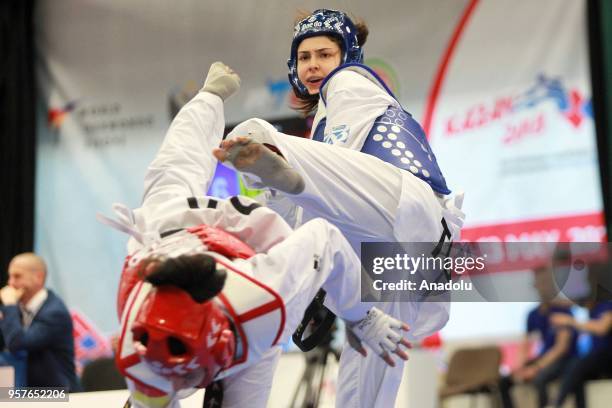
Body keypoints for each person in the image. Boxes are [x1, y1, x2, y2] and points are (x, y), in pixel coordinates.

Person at [101, 62, 412, 408]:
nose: (179, 383)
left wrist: (363, 316)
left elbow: (325, 239)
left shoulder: (263, 305)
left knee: (174, 173)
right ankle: (224, 112)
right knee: (173, 174)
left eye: (183, 377)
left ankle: (274, 172)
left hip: (238, 251)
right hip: (172, 240)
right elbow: (180, 151)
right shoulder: (141, 357)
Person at [214, 9, 465, 407]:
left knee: (254, 134)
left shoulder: (348, 83)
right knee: (365, 378)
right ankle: (281, 179)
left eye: (324, 54)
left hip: (400, 201)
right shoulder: (327, 116)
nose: (314, 66)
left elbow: (336, 175)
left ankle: (277, 165)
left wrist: (318, 279)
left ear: (347, 56)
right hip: (407, 252)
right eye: (305, 57)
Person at [498, 266, 577, 408]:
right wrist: (520, 367)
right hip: (544, 357)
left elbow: (561, 347)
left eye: (545, 282)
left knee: (540, 379)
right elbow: (525, 343)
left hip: (564, 360)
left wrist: (537, 367)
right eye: (539, 283)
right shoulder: (533, 314)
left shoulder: (563, 310)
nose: (542, 287)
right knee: (504, 382)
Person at [0, 252, 80, 391]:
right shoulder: (16, 308)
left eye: (17, 276)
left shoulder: (55, 313)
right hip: (20, 391)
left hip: (57, 396)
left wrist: (9, 307)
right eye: (10, 276)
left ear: (38, 277)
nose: (10, 283)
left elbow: (17, 343)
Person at [551, 295, 612, 408]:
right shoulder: (592, 309)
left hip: (607, 358)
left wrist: (569, 321)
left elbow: (602, 328)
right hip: (597, 360)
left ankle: (557, 403)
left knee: (578, 365)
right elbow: (569, 301)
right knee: (576, 376)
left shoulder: (607, 306)